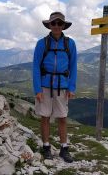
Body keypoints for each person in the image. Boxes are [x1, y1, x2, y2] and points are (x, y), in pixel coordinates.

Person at [32, 11, 77, 163]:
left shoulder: (70, 44)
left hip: (62, 86)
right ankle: (46, 148)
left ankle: (64, 149)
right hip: (45, 85)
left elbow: (73, 66)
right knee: (45, 117)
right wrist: (37, 89)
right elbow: (36, 67)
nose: (56, 26)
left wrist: (71, 87)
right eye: (54, 23)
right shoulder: (41, 43)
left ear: (64, 26)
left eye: (59, 23)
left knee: (62, 117)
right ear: (49, 25)